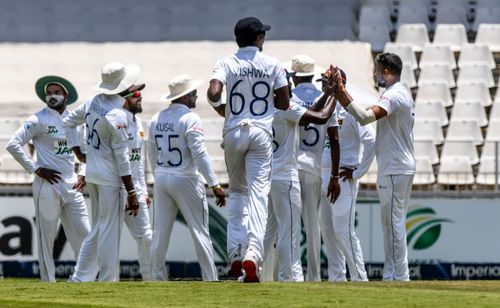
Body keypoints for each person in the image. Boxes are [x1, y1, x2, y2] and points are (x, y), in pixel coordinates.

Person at [206, 16, 290, 282]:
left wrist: (222, 108)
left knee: (238, 192)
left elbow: (213, 91)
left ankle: (235, 253)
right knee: (257, 193)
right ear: (259, 39)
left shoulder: (226, 62)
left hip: (233, 131)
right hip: (261, 132)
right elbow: (285, 103)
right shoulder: (273, 64)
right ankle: (254, 253)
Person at [333, 53, 415, 281]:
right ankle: (394, 274)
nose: (375, 74)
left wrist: (341, 95)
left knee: (393, 224)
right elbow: (366, 111)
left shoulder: (394, 95)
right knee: (392, 223)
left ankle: (399, 276)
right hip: (397, 167)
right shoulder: (398, 93)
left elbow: (365, 118)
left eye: (377, 70)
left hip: (394, 168)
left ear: (386, 71)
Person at [6, 76, 90, 282]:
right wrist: (35, 168)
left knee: (86, 236)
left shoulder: (76, 121)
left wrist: (83, 174)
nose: (52, 96)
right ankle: (48, 282)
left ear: (66, 96)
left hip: (72, 186)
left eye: (56, 92)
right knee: (47, 238)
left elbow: (85, 152)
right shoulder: (38, 119)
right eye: (49, 92)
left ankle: (82, 279)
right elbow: (13, 144)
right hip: (47, 184)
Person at [63, 62, 141, 282]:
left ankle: (80, 277)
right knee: (108, 230)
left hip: (94, 174)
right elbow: (122, 157)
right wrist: (132, 192)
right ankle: (108, 278)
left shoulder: (93, 102)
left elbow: (68, 122)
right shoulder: (118, 114)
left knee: (99, 227)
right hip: (109, 178)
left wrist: (78, 151)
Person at [263, 70, 338, 282]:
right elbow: (321, 118)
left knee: (271, 227)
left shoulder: (269, 106)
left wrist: (326, 95)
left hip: (273, 172)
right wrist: (333, 93)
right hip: (300, 169)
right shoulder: (287, 106)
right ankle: (300, 275)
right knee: (301, 226)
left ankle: (258, 270)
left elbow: (307, 117)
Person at [148, 74, 225, 282]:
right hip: (186, 178)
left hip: (162, 177)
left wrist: (158, 175)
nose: (196, 96)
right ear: (183, 97)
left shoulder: (156, 118)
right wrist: (215, 183)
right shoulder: (190, 118)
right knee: (200, 231)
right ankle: (211, 279)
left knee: (159, 233)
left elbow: (151, 152)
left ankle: (155, 278)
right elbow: (199, 153)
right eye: (192, 93)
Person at [319, 70, 375, 282]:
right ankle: (337, 279)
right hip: (323, 176)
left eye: (327, 81)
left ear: (339, 82)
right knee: (328, 231)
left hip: (343, 177)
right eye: (323, 81)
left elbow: (371, 141)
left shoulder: (351, 108)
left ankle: (361, 278)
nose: (324, 85)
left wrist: (358, 171)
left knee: (343, 230)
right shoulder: (324, 105)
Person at [288, 55, 340, 281]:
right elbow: (335, 140)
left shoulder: (288, 97)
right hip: (313, 167)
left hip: (289, 165)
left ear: (294, 76)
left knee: (286, 224)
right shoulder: (325, 99)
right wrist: (335, 176)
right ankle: (314, 276)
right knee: (312, 225)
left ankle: (285, 273)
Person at [121, 85, 153, 281]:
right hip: (117, 190)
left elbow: (137, 161)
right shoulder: (118, 121)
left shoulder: (139, 123)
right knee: (106, 236)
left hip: (136, 191)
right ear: (124, 99)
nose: (139, 98)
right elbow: (119, 161)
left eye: (140, 96)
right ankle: (99, 278)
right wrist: (128, 192)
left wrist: (143, 190)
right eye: (135, 96)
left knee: (146, 236)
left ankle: (149, 278)